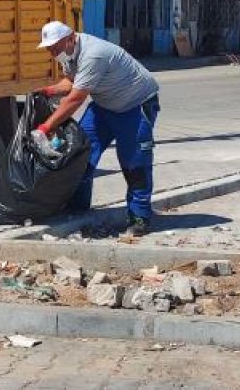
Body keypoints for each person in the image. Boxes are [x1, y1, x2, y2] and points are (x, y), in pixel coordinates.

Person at [33, 21, 160, 236]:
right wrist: (46, 91)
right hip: (104, 106)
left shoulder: (93, 54)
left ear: (71, 38)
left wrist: (45, 128)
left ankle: (140, 218)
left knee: (134, 164)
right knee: (79, 154)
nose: (53, 52)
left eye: (55, 47)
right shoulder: (69, 53)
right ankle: (77, 209)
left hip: (135, 106)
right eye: (49, 49)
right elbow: (70, 83)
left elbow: (75, 99)